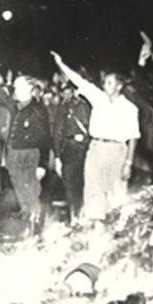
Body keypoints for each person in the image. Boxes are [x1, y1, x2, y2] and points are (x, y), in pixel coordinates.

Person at [52, 52, 140, 225]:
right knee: (93, 189)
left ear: (119, 86)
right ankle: (95, 230)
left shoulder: (129, 108)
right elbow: (78, 80)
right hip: (96, 149)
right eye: (105, 82)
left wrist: (128, 163)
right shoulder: (98, 98)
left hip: (117, 151)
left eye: (109, 82)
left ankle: (116, 229)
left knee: (116, 193)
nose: (105, 85)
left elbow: (133, 137)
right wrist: (60, 63)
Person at [0, 55, 51, 236]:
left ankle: (36, 230)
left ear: (31, 89)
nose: (16, 89)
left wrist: (42, 165)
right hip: (13, 154)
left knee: (31, 191)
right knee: (20, 190)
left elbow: (46, 139)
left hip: (30, 155)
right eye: (15, 86)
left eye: (20, 86)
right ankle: (28, 225)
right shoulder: (14, 106)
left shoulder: (39, 110)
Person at [51, 81, 91, 222]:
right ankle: (74, 216)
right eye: (64, 92)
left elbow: (92, 129)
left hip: (82, 149)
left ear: (75, 92)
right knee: (69, 183)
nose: (67, 95)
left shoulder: (84, 107)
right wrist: (57, 156)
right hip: (67, 150)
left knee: (82, 183)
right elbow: (57, 133)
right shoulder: (61, 108)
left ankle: (81, 215)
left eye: (70, 92)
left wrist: (84, 138)